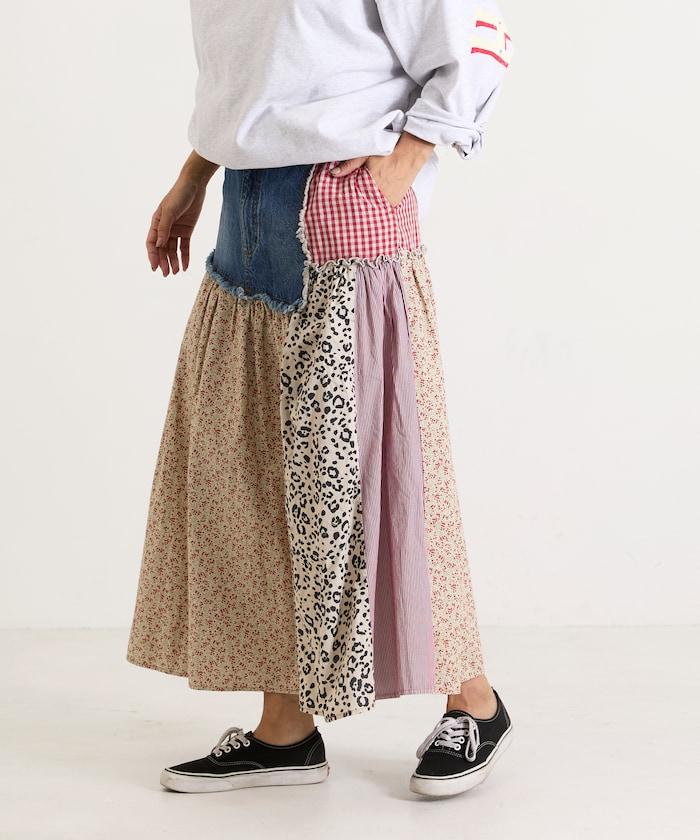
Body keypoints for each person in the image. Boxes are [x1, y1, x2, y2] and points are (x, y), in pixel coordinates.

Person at [127, 0, 514, 798]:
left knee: (381, 477)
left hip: (345, 208)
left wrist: (408, 159)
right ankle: (285, 730)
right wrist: (194, 174)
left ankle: (474, 699)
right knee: (253, 480)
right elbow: (260, 76)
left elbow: (480, 38)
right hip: (245, 208)